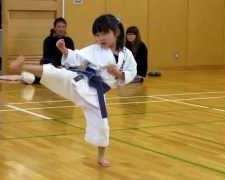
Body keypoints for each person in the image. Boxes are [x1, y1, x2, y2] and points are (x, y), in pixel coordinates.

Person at [9, 14, 137, 167]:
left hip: (95, 95)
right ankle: (22, 66)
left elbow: (131, 72)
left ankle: (101, 157)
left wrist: (118, 74)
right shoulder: (95, 49)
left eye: (104, 33)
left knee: (103, 125)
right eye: (97, 35)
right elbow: (77, 56)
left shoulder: (126, 55)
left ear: (115, 32)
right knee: (55, 72)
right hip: (79, 82)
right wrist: (65, 51)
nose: (100, 38)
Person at [33, 17, 75, 84]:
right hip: (52, 67)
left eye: (63, 27)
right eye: (59, 27)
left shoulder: (69, 41)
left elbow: (71, 57)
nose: (61, 29)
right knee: (42, 64)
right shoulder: (48, 40)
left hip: (64, 68)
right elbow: (46, 57)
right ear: (55, 28)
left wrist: (63, 66)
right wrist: (56, 66)